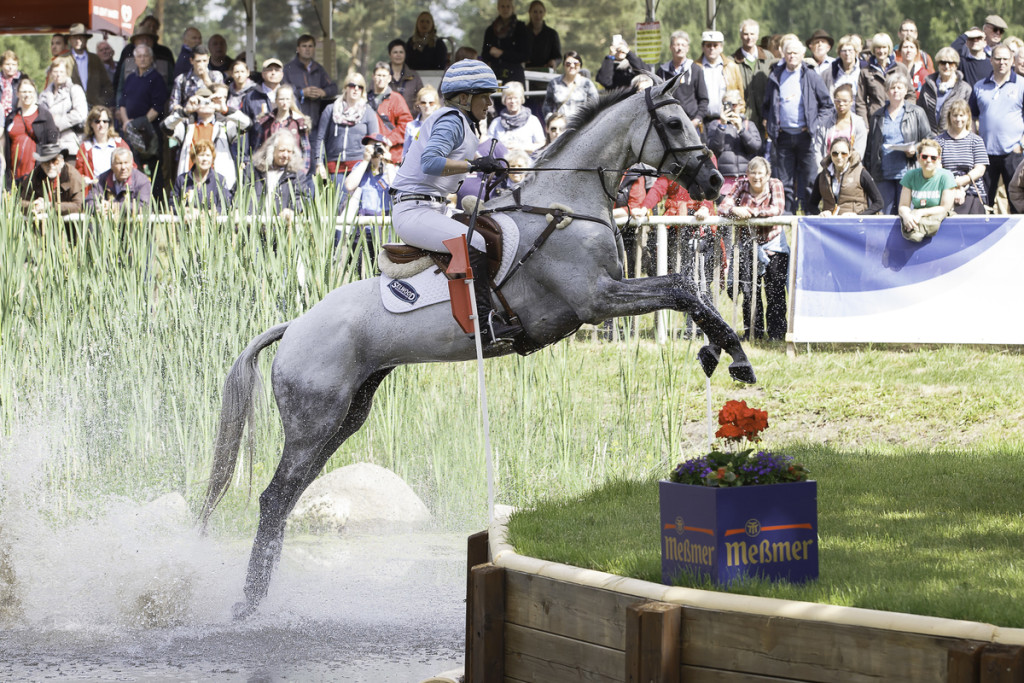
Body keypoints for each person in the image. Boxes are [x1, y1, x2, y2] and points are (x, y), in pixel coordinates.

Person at [390, 59, 522, 346]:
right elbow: (430, 162)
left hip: (432, 207)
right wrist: (473, 164)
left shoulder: (460, 121)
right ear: (464, 98)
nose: (489, 103)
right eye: (484, 97)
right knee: (472, 242)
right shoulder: (451, 119)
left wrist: (480, 167)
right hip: (414, 210)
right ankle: (484, 327)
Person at [717, 156, 788, 341]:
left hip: (774, 244)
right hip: (748, 245)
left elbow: (777, 209)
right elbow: (723, 205)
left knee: (775, 290)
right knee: (749, 292)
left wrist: (752, 213)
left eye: (760, 173)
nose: (757, 177)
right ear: (747, 174)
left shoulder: (776, 184)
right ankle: (753, 333)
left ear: (768, 175)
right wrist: (734, 210)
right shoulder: (741, 184)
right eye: (753, 173)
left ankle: (777, 334)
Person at [763, 38, 836, 214]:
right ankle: (787, 215)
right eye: (789, 53)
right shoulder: (776, 75)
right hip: (783, 136)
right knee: (784, 181)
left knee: (810, 179)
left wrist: (815, 125)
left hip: (806, 136)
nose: (792, 56)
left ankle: (810, 215)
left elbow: (828, 106)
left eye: (796, 53)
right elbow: (766, 106)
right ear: (783, 54)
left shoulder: (810, 75)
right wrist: (772, 124)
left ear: (803, 55)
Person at [864, 73, 931, 214]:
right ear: (887, 91)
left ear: (906, 90)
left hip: (909, 173)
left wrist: (916, 149)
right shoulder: (877, 116)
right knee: (885, 216)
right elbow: (870, 148)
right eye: (892, 87)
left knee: (907, 215)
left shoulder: (917, 113)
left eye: (899, 87)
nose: (896, 91)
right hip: (882, 174)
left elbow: (928, 140)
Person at [969, 45, 1024, 210]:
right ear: (991, 60)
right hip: (986, 154)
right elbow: (972, 116)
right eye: (998, 59)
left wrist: (1021, 144)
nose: (1002, 63)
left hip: (1013, 153)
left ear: (1012, 61)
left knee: (1017, 201)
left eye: (1006, 59)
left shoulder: (1021, 84)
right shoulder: (979, 86)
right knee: (984, 204)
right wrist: (975, 143)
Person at [163, 86, 250, 189]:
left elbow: (247, 124)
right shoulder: (186, 125)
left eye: (209, 101)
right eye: (200, 100)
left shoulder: (225, 124)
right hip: (190, 183)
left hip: (219, 184)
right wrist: (185, 111)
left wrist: (225, 109)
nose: (205, 104)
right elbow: (165, 127)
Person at [315, 72, 379, 211]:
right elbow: (320, 138)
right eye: (352, 85)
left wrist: (368, 161)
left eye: (360, 87)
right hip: (334, 168)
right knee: (337, 210)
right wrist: (319, 163)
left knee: (357, 209)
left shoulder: (368, 112)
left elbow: (374, 139)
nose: (356, 89)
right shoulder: (331, 109)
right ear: (345, 87)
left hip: (358, 167)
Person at [342, 132, 395, 256]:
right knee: (360, 266)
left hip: (384, 224)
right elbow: (349, 185)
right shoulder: (361, 168)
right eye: (370, 146)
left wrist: (387, 162)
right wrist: (366, 160)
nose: (375, 150)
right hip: (362, 224)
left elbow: (396, 188)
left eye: (378, 146)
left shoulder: (391, 169)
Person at [935, 100, 989, 214]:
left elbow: (980, 170)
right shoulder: (939, 141)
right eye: (955, 115)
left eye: (961, 115)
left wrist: (960, 182)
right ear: (949, 117)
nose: (958, 119)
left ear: (968, 116)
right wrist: (952, 187)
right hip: (945, 190)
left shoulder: (976, 141)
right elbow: (937, 168)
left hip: (973, 192)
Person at [897, 139, 956, 242]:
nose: (928, 160)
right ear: (918, 157)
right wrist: (906, 215)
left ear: (939, 160)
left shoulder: (946, 176)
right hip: (915, 225)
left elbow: (945, 207)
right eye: (924, 156)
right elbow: (903, 205)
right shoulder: (910, 176)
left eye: (933, 158)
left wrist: (921, 212)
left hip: (941, 228)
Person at [807, 136, 882, 215]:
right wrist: (820, 214)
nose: (839, 157)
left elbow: (879, 202)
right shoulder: (822, 176)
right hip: (830, 224)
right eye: (835, 153)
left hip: (856, 224)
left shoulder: (861, 173)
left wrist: (859, 216)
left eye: (844, 154)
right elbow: (811, 205)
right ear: (830, 153)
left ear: (849, 154)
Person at [706, 89, 761, 195]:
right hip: (724, 178)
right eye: (727, 104)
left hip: (746, 178)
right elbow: (714, 150)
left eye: (734, 105)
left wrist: (741, 129)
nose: (731, 108)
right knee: (724, 210)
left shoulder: (749, 124)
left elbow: (755, 147)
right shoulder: (715, 124)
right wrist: (722, 126)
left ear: (741, 105)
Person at [249, 130, 312, 222]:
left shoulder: (297, 175)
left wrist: (292, 210)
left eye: (289, 151)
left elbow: (304, 199)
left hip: (281, 227)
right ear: (272, 150)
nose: (285, 155)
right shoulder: (254, 171)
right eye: (282, 150)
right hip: (253, 225)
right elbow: (240, 192)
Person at [4, 78, 58, 183]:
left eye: (30, 92)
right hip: (14, 175)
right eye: (24, 92)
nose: (27, 95)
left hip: (37, 173)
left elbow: (52, 143)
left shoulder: (44, 115)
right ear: (18, 94)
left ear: (34, 93)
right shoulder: (11, 117)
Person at [253, 84, 312, 179]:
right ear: (275, 100)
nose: (284, 102)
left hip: (292, 171)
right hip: (269, 171)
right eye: (281, 99)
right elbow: (258, 148)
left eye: (288, 99)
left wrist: (302, 171)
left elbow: (306, 149)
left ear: (292, 101)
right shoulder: (266, 122)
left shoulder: (299, 122)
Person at [283, 34, 337, 131]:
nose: (307, 49)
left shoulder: (318, 69)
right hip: (293, 124)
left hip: (314, 124)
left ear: (314, 49)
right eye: (304, 46)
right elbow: (281, 92)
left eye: (310, 46)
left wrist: (323, 92)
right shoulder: (288, 69)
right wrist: (302, 93)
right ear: (298, 49)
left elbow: (333, 88)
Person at [39, 57, 88, 159]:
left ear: (67, 72)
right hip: (49, 145)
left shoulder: (75, 90)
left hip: (70, 144)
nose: (58, 74)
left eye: (61, 71)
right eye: (55, 71)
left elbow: (80, 114)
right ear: (51, 73)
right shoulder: (44, 94)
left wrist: (56, 121)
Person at [75, 105, 131, 195]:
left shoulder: (119, 143)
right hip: (95, 192)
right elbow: (78, 173)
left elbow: (132, 167)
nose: (101, 125)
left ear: (109, 123)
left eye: (105, 121)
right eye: (97, 121)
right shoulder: (85, 148)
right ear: (91, 124)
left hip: (118, 192)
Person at [18, 142, 84, 216]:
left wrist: (49, 206)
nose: (51, 166)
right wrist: (34, 205)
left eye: (55, 161)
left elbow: (78, 206)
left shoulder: (72, 175)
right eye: (46, 162)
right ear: (41, 164)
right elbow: (20, 202)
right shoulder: (35, 174)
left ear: (62, 161)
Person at [732, 20, 772, 141]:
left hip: (766, 118)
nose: (749, 37)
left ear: (757, 36)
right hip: (744, 119)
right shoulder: (732, 61)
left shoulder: (769, 58)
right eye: (746, 34)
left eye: (752, 34)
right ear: (740, 35)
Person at [917, 47, 973, 134]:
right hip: (929, 137)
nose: (946, 66)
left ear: (956, 65)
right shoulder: (927, 87)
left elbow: (969, 118)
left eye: (950, 63)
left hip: (954, 138)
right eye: (943, 62)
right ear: (938, 64)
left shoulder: (965, 89)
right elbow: (919, 112)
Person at [856, 33, 911, 119]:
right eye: (878, 48)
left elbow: (911, 94)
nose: (881, 51)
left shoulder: (900, 68)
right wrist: (864, 125)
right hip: (875, 119)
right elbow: (860, 102)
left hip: (899, 118)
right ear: (873, 49)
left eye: (884, 47)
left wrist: (907, 114)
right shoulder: (865, 72)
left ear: (889, 48)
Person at [86, 146, 152, 214]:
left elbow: (145, 206)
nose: (123, 167)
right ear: (112, 165)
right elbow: (89, 202)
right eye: (119, 163)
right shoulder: (100, 180)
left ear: (132, 164)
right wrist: (98, 207)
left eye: (126, 163)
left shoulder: (142, 181)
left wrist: (115, 207)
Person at [369, 62, 412, 165]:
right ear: (373, 77)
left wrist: (389, 140)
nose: (381, 79)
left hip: (391, 154)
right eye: (378, 75)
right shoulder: (365, 99)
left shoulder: (396, 98)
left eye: (384, 76)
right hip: (369, 155)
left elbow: (406, 124)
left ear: (389, 78)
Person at [172, 139, 232, 213]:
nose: (205, 159)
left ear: (212, 159)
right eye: (201, 155)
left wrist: (210, 214)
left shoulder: (219, 180)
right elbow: (172, 205)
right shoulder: (182, 179)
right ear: (194, 158)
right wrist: (186, 210)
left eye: (208, 155)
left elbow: (226, 206)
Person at [812, 83, 867, 163]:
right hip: (827, 168)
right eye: (838, 101)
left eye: (845, 101)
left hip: (850, 169)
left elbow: (858, 153)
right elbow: (818, 151)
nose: (841, 104)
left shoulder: (859, 124)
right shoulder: (825, 123)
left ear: (851, 101)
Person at [488, 81, 545, 154]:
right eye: (509, 98)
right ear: (504, 100)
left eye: (516, 98)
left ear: (521, 99)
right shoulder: (496, 122)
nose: (513, 101)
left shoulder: (532, 120)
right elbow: (488, 145)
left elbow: (541, 143)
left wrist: (521, 148)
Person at [66, 23, 114, 109]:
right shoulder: (63, 60)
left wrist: (101, 102)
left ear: (86, 39)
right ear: (70, 40)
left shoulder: (95, 59)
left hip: (94, 109)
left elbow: (107, 85)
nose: (78, 40)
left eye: (81, 37)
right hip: (71, 109)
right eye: (74, 37)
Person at [542, 51, 599, 122]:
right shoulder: (554, 83)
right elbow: (547, 106)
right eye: (568, 64)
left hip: (580, 126)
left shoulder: (587, 83)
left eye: (576, 64)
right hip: (560, 128)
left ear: (580, 65)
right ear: (564, 65)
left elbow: (596, 106)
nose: (572, 66)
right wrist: (551, 121)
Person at [482, 0, 529, 85]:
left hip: (514, 75)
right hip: (495, 75)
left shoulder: (520, 28)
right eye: (502, 6)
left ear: (513, 8)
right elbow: (485, 52)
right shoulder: (491, 30)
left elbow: (525, 55)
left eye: (508, 6)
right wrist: (491, 51)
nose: (505, 9)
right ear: (498, 8)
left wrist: (502, 54)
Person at [699, 30, 743, 121]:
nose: (712, 48)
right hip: (702, 121)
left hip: (728, 119)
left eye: (715, 45)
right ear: (703, 47)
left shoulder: (732, 67)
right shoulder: (695, 67)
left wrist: (739, 115)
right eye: (708, 45)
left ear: (721, 47)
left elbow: (740, 95)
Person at [168, 46, 224, 115]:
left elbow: (221, 101)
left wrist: (206, 78)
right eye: (198, 61)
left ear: (208, 60)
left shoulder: (216, 76)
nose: (201, 64)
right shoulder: (181, 79)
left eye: (204, 61)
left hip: (211, 119)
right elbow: (172, 106)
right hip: (189, 119)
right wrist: (186, 110)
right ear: (191, 61)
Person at [524, 1, 561, 70]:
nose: (538, 15)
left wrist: (554, 62)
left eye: (540, 12)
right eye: (535, 12)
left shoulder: (552, 34)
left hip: (545, 71)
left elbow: (558, 57)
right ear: (530, 13)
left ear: (544, 13)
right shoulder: (522, 32)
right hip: (525, 71)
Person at [403, 85, 440, 153]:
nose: (427, 106)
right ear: (418, 104)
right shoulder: (410, 126)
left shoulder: (442, 125)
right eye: (423, 103)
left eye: (431, 103)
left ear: (436, 104)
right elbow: (405, 153)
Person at [1, 50, 26, 120]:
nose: (10, 67)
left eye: (14, 64)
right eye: (7, 64)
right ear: (1, 65)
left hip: (18, 117)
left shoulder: (23, 80)